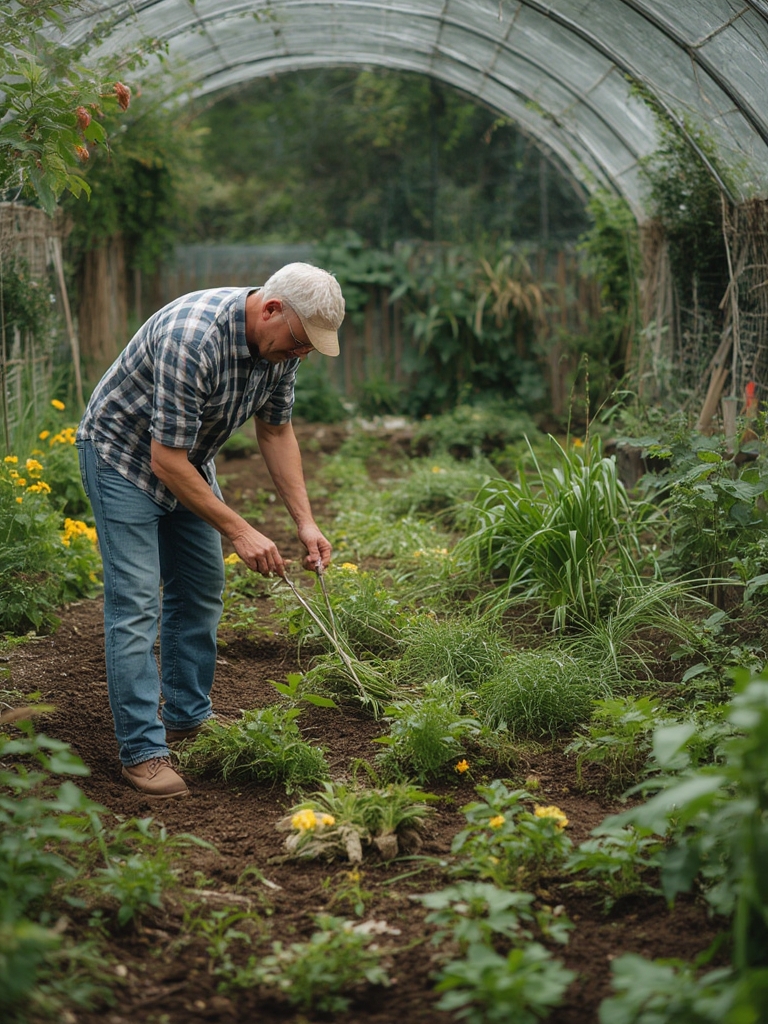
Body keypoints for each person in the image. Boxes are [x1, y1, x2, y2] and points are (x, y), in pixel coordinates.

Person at [76, 262, 344, 800]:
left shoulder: (281, 350)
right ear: (271, 309)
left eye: (310, 348)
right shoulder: (193, 338)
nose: (302, 354)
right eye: (299, 342)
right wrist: (239, 531)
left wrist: (305, 522)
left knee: (200, 589)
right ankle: (142, 751)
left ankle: (187, 717)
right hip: (122, 460)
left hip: (188, 461)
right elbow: (164, 460)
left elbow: (276, 431)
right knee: (136, 605)